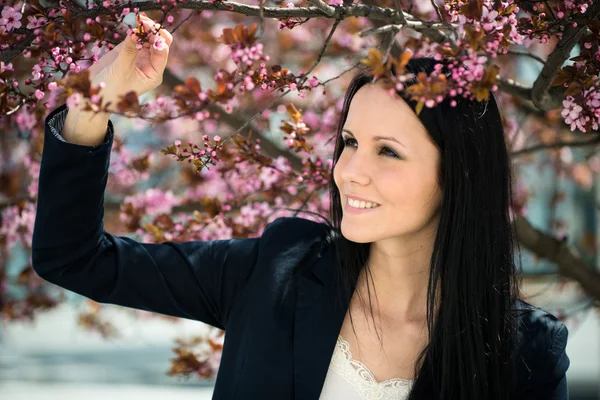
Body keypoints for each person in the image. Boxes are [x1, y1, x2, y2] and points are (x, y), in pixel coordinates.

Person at [32, 14, 569, 400]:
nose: (349, 170)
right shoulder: (278, 269)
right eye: (351, 142)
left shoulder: (526, 351)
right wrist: (91, 107)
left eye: (388, 151)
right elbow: (74, 258)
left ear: (460, 175)